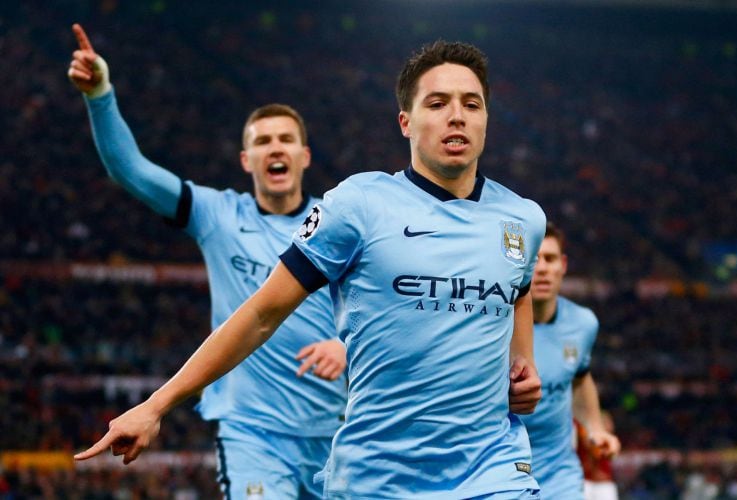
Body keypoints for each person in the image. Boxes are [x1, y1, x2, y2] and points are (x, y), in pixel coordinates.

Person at [74, 39, 546, 499]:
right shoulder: (350, 207)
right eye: (438, 102)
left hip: (491, 468)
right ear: (405, 121)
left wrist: (521, 364)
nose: (457, 115)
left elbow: (517, 289)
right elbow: (260, 313)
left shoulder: (522, 219)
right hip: (366, 470)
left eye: (472, 104)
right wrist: (157, 405)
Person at [67, 24, 347, 500]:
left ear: (304, 156)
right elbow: (129, 170)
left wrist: (346, 344)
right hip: (252, 436)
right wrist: (100, 95)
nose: (275, 147)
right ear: (246, 159)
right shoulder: (217, 213)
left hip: (338, 435)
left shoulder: (340, 221)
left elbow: (381, 308)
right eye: (263, 141)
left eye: (285, 139)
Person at [517, 222, 621, 499]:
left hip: (560, 475)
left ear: (563, 265)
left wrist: (595, 428)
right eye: (533, 260)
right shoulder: (494, 326)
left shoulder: (583, 323)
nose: (541, 269)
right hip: (503, 470)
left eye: (550, 259)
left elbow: (579, 378)